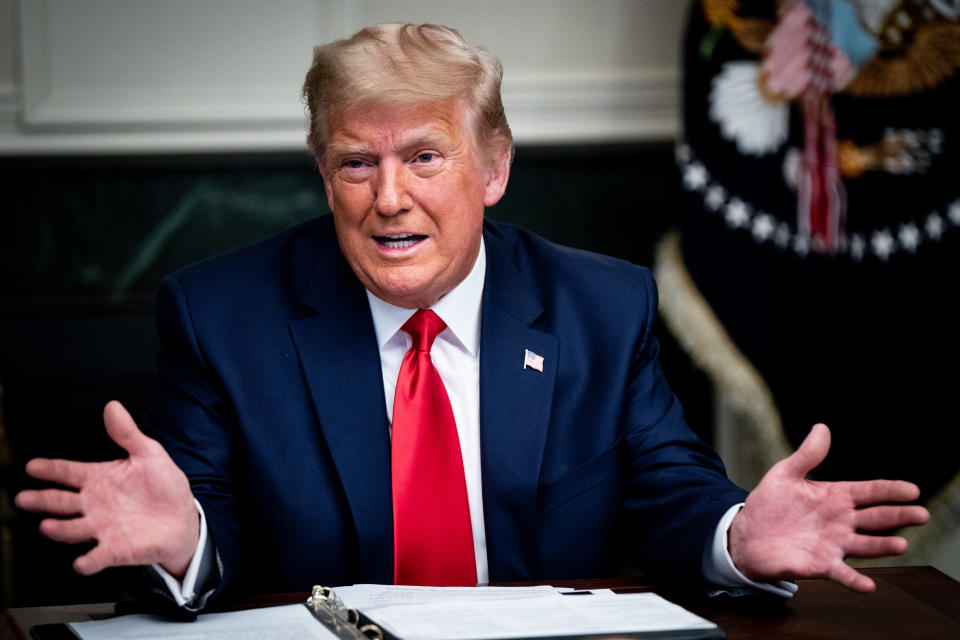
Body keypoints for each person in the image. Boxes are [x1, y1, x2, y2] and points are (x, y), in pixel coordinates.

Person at [15, 23, 927, 610]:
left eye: (424, 156)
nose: (390, 199)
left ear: (492, 169)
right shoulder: (224, 316)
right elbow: (204, 518)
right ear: (322, 175)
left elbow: (668, 491)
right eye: (355, 164)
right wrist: (187, 541)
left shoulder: (599, 308)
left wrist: (736, 538)